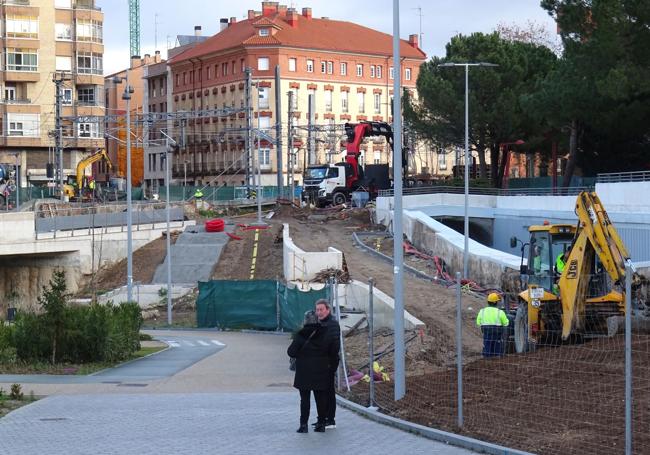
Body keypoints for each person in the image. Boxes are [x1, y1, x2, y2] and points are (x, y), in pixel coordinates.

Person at [287, 310, 329, 433]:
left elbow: (291, 352)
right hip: (320, 370)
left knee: (304, 399)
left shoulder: (301, 334)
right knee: (320, 398)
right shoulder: (325, 334)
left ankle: (303, 425)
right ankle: (321, 424)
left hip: (304, 372)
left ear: (305, 320)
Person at [314, 298, 341, 429]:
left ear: (328, 310)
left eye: (321, 310)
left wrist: (330, 362)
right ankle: (322, 417)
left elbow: (335, 345)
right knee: (321, 391)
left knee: (329, 391)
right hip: (318, 363)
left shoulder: (333, 324)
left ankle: (330, 419)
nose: (319, 312)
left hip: (328, 363)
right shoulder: (318, 323)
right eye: (317, 310)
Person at [476, 293, 509, 357]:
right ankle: (497, 359)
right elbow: (506, 323)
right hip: (497, 332)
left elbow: (478, 322)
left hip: (486, 332)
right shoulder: (500, 312)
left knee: (487, 346)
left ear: (488, 302)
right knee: (497, 347)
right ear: (496, 302)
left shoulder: (482, 311)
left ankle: (487, 359)